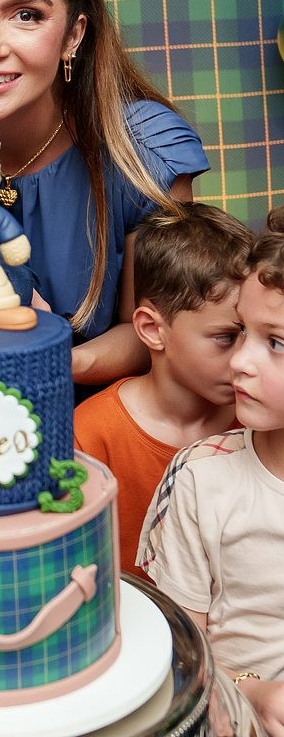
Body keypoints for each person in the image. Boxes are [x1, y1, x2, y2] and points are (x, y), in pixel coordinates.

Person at [0, 0, 209, 385]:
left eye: (26, 15)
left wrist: (52, 358)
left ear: (73, 34)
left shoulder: (143, 152)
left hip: (90, 415)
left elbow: (157, 332)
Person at [137, 208, 284, 737]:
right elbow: (181, 655)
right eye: (241, 333)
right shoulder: (202, 478)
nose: (240, 361)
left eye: (277, 343)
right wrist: (249, 689)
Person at [74, 203, 251, 576]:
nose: (245, 359)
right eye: (226, 337)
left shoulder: (259, 420)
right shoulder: (89, 435)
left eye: (256, 335)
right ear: (153, 330)